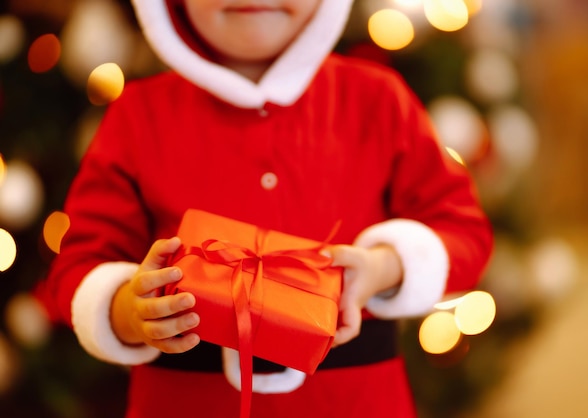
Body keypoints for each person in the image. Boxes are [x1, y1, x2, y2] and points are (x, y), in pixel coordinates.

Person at [46, 0, 493, 417]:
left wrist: (385, 267)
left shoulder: (377, 98)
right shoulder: (137, 115)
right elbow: (79, 266)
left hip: (358, 400)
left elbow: (464, 233)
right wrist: (128, 309)